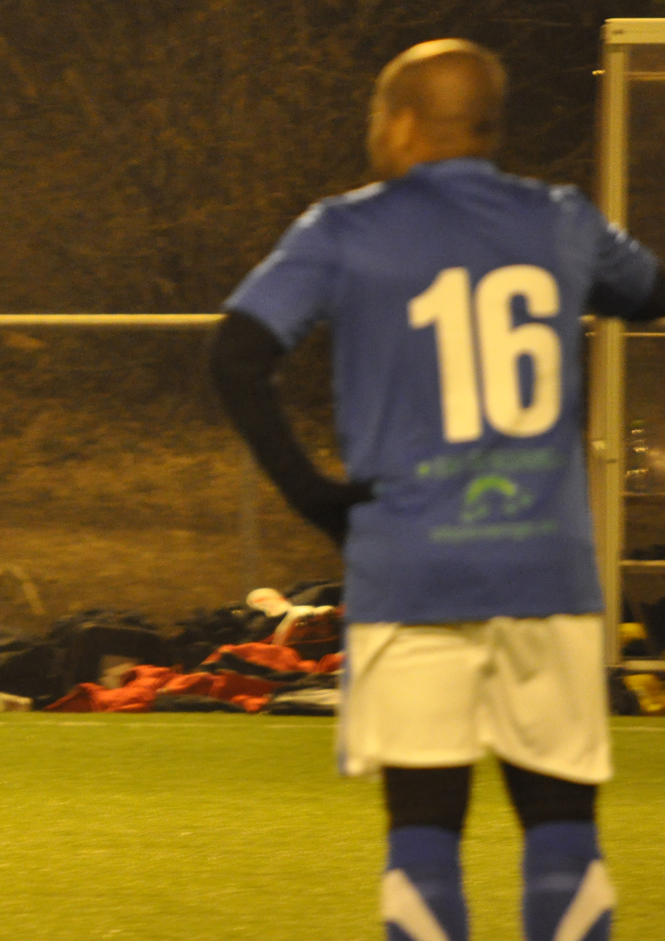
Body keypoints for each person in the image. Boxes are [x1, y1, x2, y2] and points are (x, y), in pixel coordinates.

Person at [211, 39, 664, 941]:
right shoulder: (561, 219)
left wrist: (316, 497)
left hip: (410, 570)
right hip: (545, 574)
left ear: (406, 123)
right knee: (564, 843)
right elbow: (649, 293)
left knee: (422, 845)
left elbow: (236, 356)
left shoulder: (344, 228)